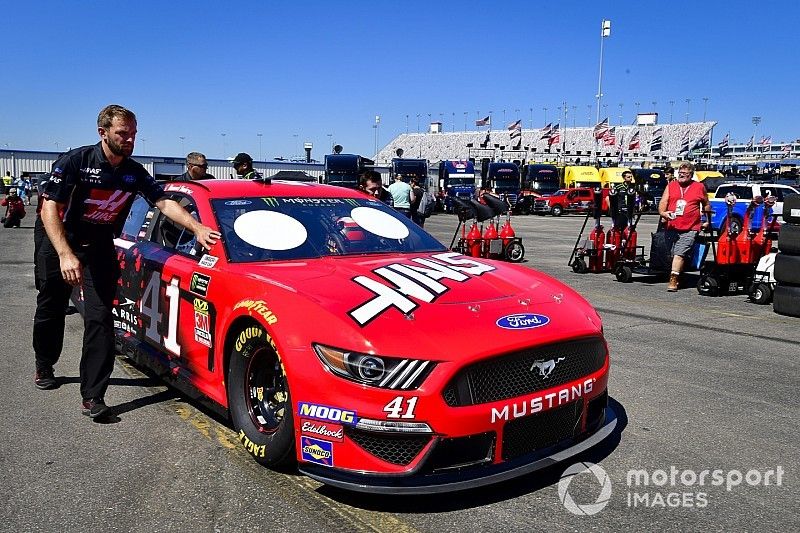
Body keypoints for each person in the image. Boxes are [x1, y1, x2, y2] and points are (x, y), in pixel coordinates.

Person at [33, 104, 221, 419]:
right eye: (123, 133)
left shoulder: (133, 171)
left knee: (101, 317)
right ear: (102, 132)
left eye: (133, 134)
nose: (130, 140)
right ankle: (44, 363)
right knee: (52, 305)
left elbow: (163, 201)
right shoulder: (76, 162)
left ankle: (93, 396)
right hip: (58, 240)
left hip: (98, 244)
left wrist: (198, 227)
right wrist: (65, 254)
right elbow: (48, 208)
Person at [658, 162, 711, 292]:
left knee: (679, 254)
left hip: (691, 227)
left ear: (691, 175)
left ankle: (673, 279)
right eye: (680, 173)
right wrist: (663, 213)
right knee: (671, 255)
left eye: (685, 174)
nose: (681, 175)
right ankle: (679, 272)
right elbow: (663, 202)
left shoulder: (699, 187)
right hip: (672, 226)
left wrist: (707, 220)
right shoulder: (672, 185)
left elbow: (706, 204)